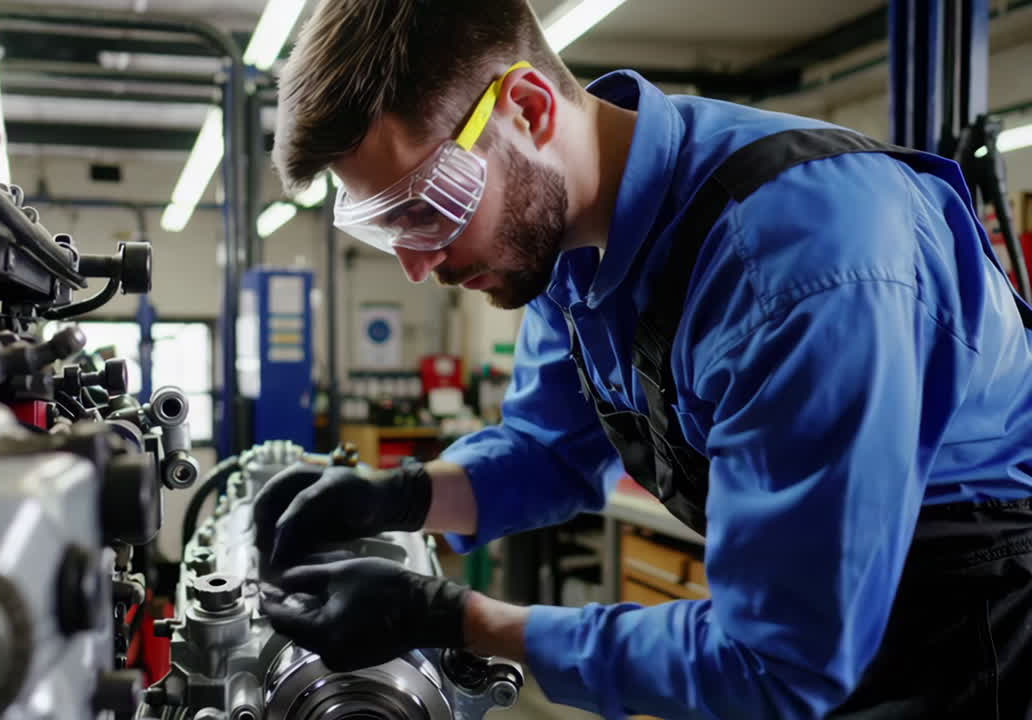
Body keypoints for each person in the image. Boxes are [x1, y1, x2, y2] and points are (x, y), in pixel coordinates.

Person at [252, 1, 1032, 717]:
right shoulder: (567, 243)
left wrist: (454, 618)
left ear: (527, 109)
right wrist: (393, 500)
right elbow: (549, 453)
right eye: (387, 230)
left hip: (970, 630)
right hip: (826, 622)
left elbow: (779, 660)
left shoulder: (801, 265)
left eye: (430, 207)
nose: (420, 264)